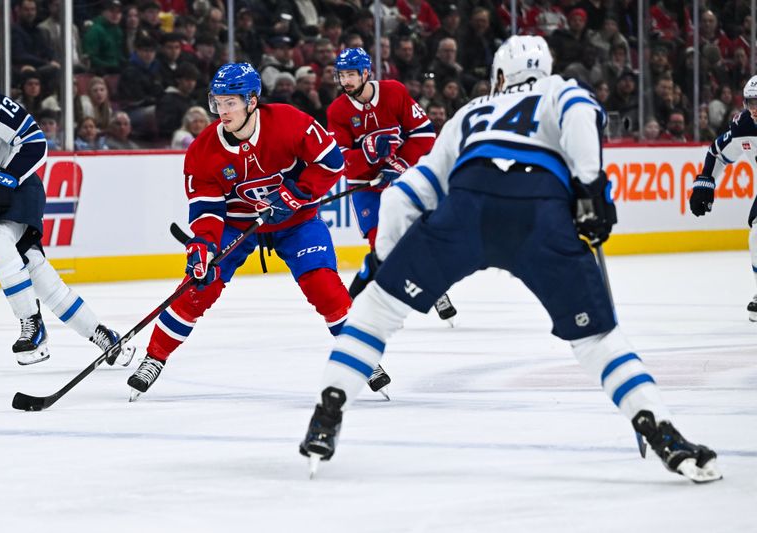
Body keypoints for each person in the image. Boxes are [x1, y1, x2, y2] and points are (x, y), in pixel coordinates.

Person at [299, 36, 722, 484]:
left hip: (465, 206)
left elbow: (405, 193)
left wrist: (380, 264)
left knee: (374, 314)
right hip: (538, 211)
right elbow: (581, 113)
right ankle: (662, 431)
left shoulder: (470, 111)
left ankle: (327, 412)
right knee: (598, 340)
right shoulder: (560, 88)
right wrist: (591, 189)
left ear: (500, 76)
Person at [126, 63, 385, 400]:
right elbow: (206, 211)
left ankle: (362, 356)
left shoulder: (289, 122)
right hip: (237, 224)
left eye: (230, 102)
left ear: (251, 101)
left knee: (324, 287)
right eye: (218, 102)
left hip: (296, 220)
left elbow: (332, 162)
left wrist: (298, 193)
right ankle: (154, 358)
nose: (222, 111)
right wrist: (202, 246)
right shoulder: (203, 151)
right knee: (198, 286)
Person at [0, 87, 134, 366]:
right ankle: (105, 337)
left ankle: (32, 324)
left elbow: (34, 140)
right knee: (36, 271)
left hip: (18, 187)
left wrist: (7, 177)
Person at [326, 48, 456, 325]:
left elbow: (423, 134)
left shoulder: (394, 92)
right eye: (342, 75)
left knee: (413, 236)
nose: (345, 81)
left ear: (366, 73)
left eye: (351, 74)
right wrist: (370, 156)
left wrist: (400, 164)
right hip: (365, 186)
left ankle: (433, 287)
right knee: (380, 244)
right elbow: (343, 161)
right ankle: (379, 306)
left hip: (401, 180)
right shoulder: (337, 111)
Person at [690, 75, 757, 322]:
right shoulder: (745, 127)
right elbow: (717, 152)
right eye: (751, 103)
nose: (754, 109)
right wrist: (705, 182)